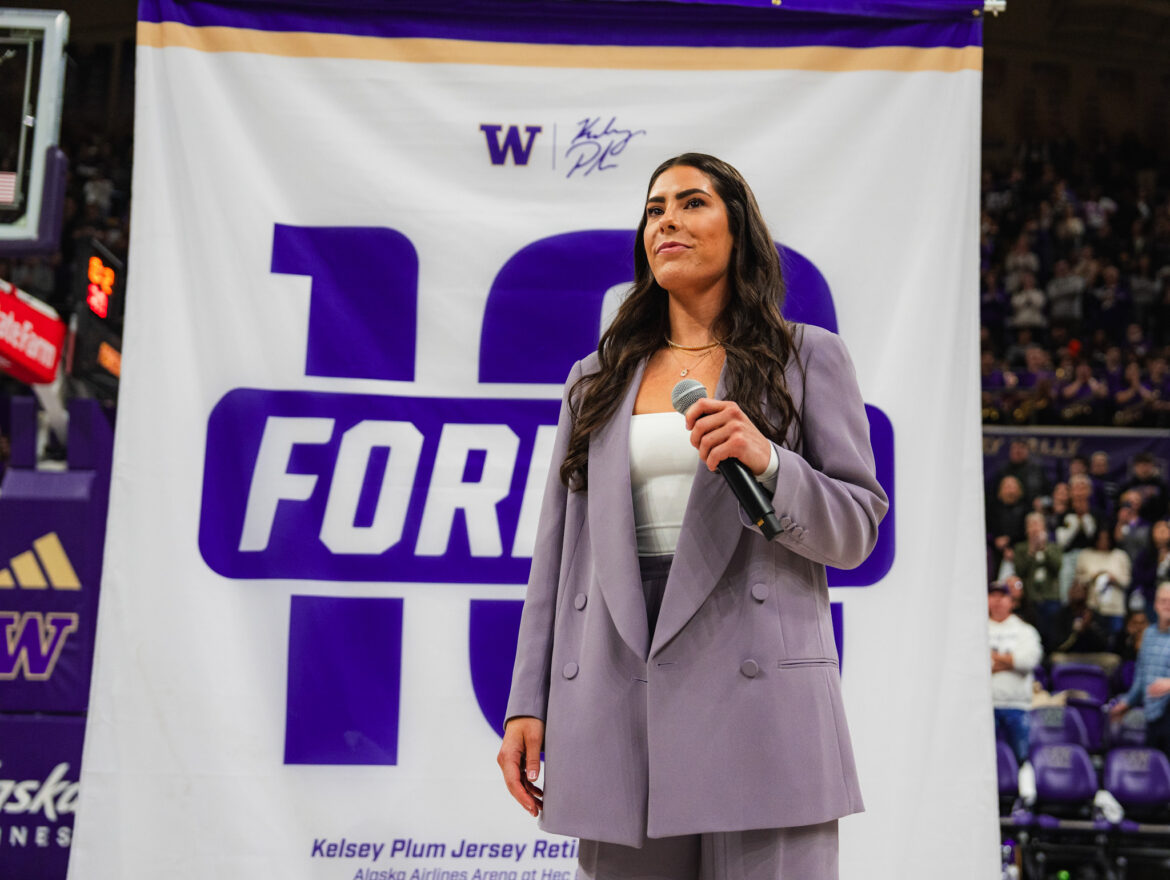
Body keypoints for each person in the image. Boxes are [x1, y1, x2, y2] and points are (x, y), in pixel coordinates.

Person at [497, 153, 888, 879]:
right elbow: (555, 559)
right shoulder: (595, 378)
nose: (667, 219)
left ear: (738, 230)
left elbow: (859, 527)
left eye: (692, 202)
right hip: (618, 705)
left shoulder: (808, 358)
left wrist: (772, 462)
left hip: (763, 711)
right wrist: (528, 701)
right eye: (654, 209)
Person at [1110, 583, 1170, 758]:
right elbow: (1141, 676)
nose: (1167, 605)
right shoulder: (1148, 634)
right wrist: (1127, 703)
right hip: (1152, 714)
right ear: (1155, 605)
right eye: (1163, 601)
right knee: (1156, 770)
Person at [989, 581, 1043, 764]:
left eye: (1002, 596)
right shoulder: (976, 629)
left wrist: (994, 658)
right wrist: (1012, 661)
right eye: (993, 596)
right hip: (986, 706)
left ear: (1011, 601)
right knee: (986, 761)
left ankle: (1023, 792)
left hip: (1018, 706)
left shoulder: (1025, 630)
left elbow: (1028, 661)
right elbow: (973, 666)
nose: (997, 601)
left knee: (1021, 760)